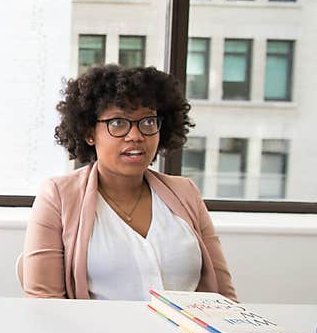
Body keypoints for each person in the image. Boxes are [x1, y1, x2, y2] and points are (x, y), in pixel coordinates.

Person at [21, 64, 237, 301]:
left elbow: (224, 298)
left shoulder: (185, 192)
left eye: (148, 122)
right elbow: (45, 305)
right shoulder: (57, 196)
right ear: (89, 132)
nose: (136, 136)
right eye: (117, 123)